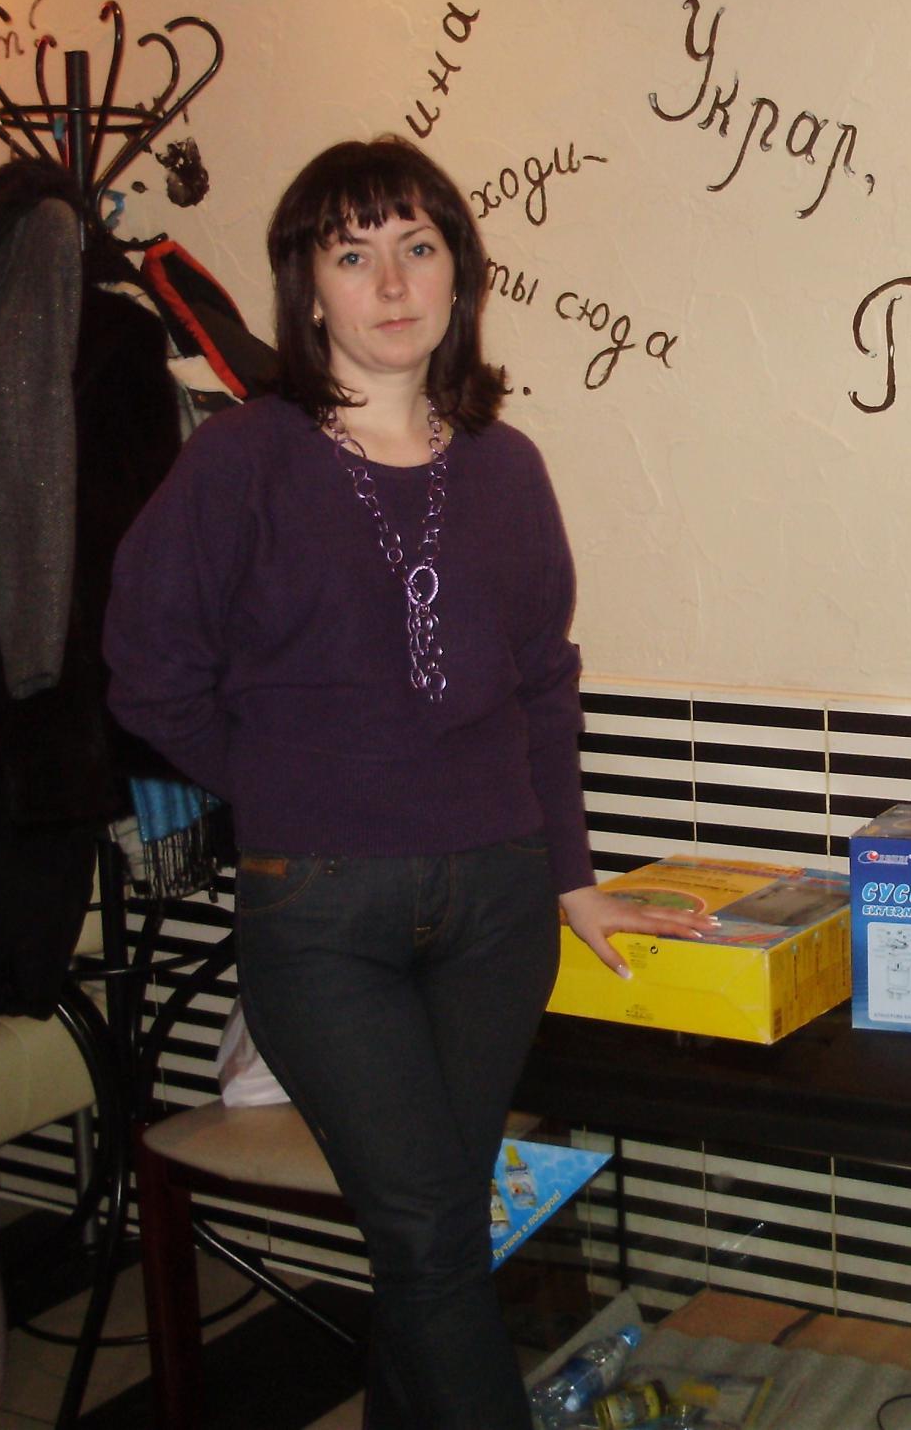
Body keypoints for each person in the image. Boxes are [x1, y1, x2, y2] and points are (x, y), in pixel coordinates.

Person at [104, 136, 712, 1430]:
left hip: (497, 908)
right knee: (436, 1239)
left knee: (427, 1237)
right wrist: (289, 786)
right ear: (307, 288)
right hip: (322, 916)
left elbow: (544, 685)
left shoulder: (506, 467)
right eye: (352, 253)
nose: (391, 283)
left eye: (417, 247)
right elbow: (146, 675)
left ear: (458, 275)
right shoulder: (242, 459)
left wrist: (573, 881)